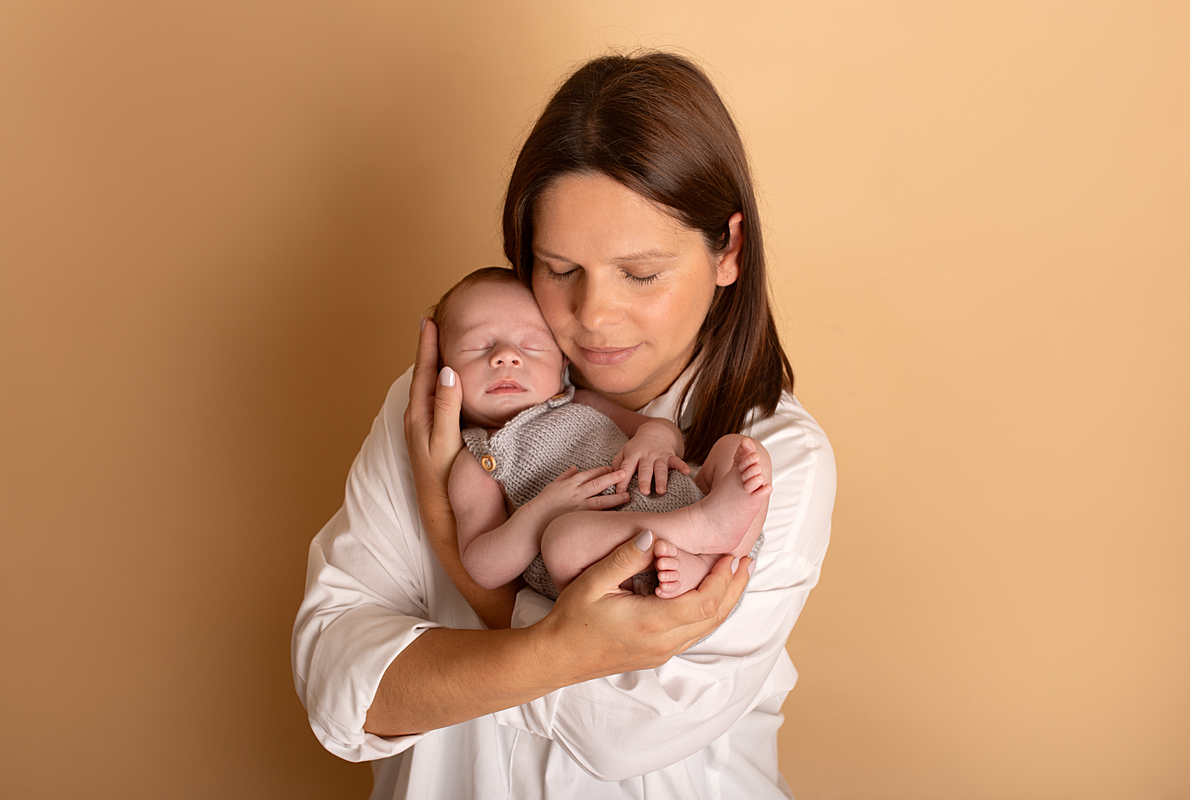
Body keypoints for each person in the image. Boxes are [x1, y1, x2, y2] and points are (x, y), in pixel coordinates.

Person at [292, 51, 836, 799]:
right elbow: (335, 686)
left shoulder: (771, 458)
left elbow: (626, 734)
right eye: (557, 268)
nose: (593, 317)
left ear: (728, 251)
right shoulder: (444, 412)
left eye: (639, 274)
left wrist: (452, 548)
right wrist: (565, 645)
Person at [432, 266, 771, 600]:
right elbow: (482, 567)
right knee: (562, 539)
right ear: (443, 368)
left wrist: (653, 441)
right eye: (478, 347)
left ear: (562, 363)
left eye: (532, 346)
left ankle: (715, 561)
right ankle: (702, 532)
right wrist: (543, 512)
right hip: (612, 562)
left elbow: (659, 429)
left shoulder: (582, 401)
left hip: (684, 505)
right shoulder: (478, 460)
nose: (506, 357)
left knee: (739, 448)